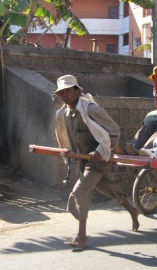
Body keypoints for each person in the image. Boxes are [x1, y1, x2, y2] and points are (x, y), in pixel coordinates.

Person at [54, 74, 140, 248]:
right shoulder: (63, 114)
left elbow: (114, 131)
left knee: (79, 192)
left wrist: (100, 151)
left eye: (68, 91)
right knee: (105, 187)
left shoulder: (91, 109)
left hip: (100, 159)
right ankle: (132, 210)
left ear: (77, 91)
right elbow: (64, 137)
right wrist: (67, 152)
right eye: (61, 92)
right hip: (83, 159)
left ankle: (81, 235)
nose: (65, 95)